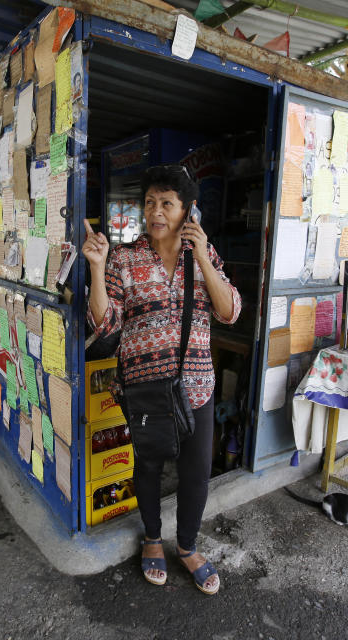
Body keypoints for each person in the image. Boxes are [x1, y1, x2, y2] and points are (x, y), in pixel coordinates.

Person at [83, 165, 241, 595]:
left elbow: (229, 311)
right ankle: (153, 539)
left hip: (196, 386)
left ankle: (187, 546)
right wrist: (97, 269)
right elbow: (104, 322)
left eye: (166, 203)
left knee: (195, 472)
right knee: (148, 465)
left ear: (186, 210)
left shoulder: (204, 256)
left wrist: (205, 257)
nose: (155, 211)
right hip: (143, 386)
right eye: (150, 203)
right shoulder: (124, 258)